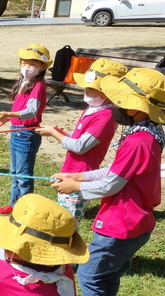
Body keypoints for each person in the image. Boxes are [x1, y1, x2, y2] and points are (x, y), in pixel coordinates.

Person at [52, 68, 164, 296]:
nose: (114, 105)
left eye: (121, 99)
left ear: (138, 107)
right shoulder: (145, 132)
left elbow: (113, 184)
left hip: (121, 222)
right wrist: (78, 177)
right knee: (106, 276)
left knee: (89, 274)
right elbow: (114, 170)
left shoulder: (140, 140)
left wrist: (75, 189)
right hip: (133, 221)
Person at [37, 58, 124, 224]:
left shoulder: (105, 116)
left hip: (82, 173)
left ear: (106, 93)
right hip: (71, 168)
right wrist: (60, 132)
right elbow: (78, 137)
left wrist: (55, 134)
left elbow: (80, 147)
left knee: (67, 222)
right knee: (61, 213)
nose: (85, 91)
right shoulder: (92, 109)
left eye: (91, 89)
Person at [0, 44, 52, 215]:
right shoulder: (25, 82)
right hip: (16, 131)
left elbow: (31, 112)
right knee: (15, 173)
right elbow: (20, 108)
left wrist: (10, 114)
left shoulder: (38, 85)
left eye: (32, 64)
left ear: (42, 67)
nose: (27, 67)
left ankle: (25, 211)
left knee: (24, 177)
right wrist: (8, 118)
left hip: (26, 135)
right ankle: (14, 204)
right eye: (24, 63)